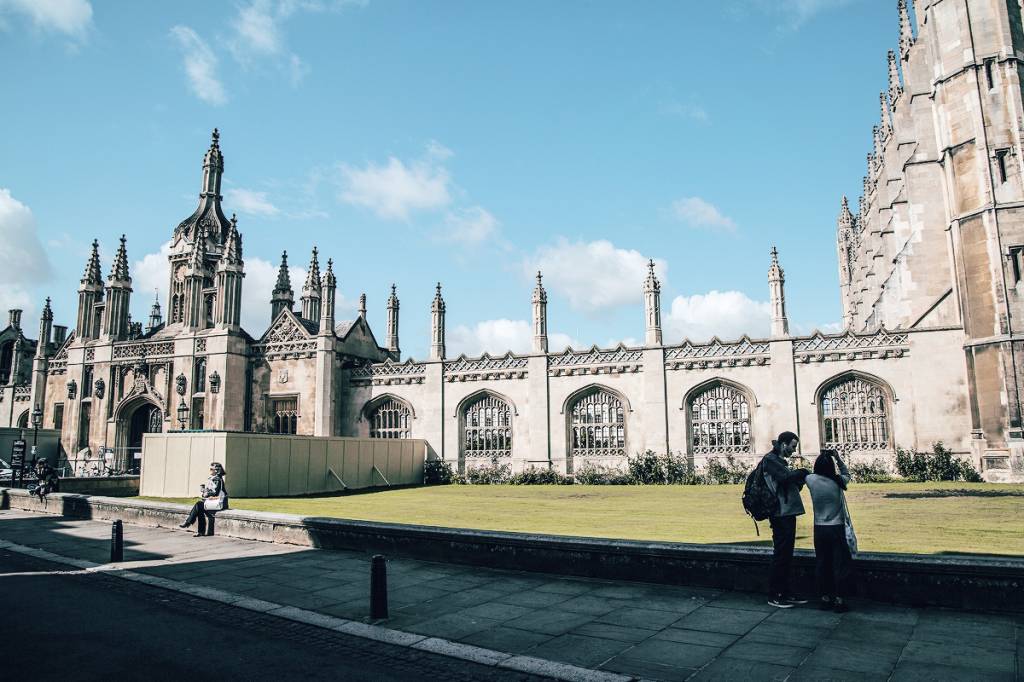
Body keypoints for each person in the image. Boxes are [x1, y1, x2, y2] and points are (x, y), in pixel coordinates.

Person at [762, 430, 809, 608]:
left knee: (786, 555)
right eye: (792, 447)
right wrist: (803, 472)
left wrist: (799, 480)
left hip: (787, 511)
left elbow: (789, 482)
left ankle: (785, 591)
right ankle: (774, 594)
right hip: (779, 513)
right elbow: (784, 477)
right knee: (781, 554)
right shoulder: (770, 460)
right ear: (783, 444)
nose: (794, 450)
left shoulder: (779, 461)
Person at [805, 449, 853, 613]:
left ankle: (824, 597)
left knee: (822, 562)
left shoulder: (810, 480)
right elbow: (847, 473)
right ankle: (839, 599)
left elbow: (806, 474)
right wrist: (838, 458)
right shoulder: (839, 481)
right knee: (840, 564)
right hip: (836, 527)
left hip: (819, 527)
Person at [179, 463, 228, 537]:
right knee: (199, 508)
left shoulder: (217, 479)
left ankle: (189, 523)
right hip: (217, 502)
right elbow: (212, 491)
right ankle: (197, 529)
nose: (210, 470)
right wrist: (205, 491)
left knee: (199, 505)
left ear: (216, 470)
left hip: (220, 503)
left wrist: (206, 493)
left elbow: (215, 493)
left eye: (211, 469)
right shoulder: (214, 478)